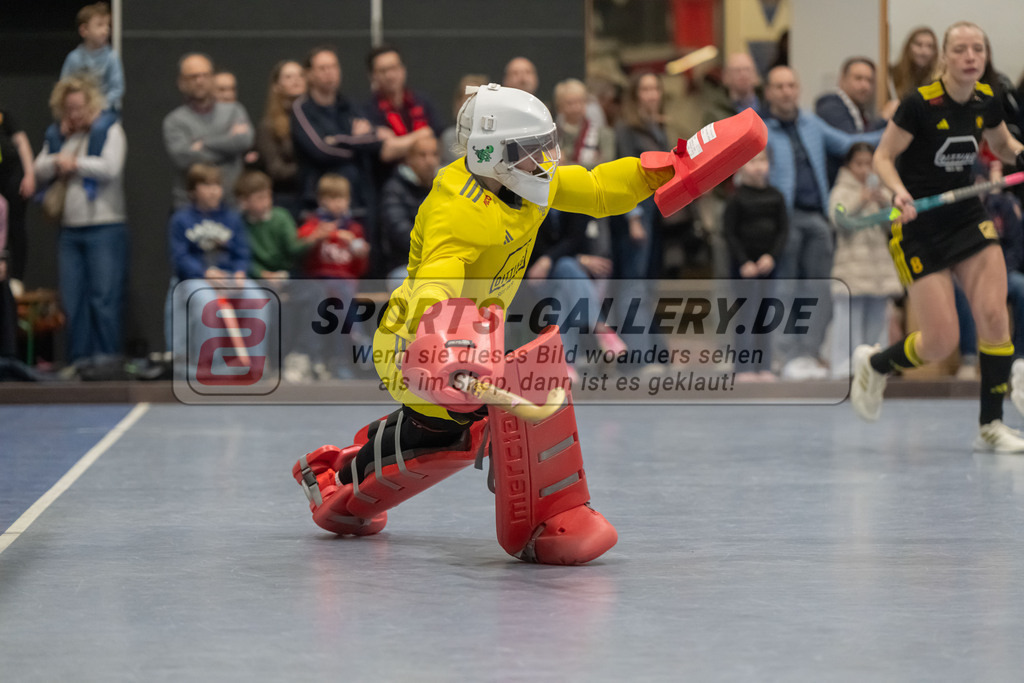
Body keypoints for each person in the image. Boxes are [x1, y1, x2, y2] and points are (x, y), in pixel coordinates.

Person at [289, 82, 757, 565]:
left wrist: (660, 171)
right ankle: (547, 518)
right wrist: (444, 340)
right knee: (489, 414)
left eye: (548, 146)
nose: (548, 160)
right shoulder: (459, 207)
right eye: (535, 150)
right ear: (491, 153)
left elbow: (597, 190)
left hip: (467, 337)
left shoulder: (524, 180)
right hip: (417, 341)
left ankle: (336, 476)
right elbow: (437, 278)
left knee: (450, 431)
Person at [851, 22, 1024, 452]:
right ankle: (874, 364)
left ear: (985, 56)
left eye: (977, 49)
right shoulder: (919, 105)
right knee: (940, 341)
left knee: (994, 316)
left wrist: (1021, 154)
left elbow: (1002, 145)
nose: (970, 56)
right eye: (961, 49)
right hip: (916, 223)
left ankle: (991, 424)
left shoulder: (988, 98)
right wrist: (898, 191)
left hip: (965, 216)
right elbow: (884, 156)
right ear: (946, 57)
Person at [762, 65, 883, 379]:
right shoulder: (761, 130)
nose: (786, 92)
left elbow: (847, 143)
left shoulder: (811, 123)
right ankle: (786, 356)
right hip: (783, 218)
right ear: (768, 92)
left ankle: (810, 353)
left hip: (817, 217)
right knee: (785, 288)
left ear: (798, 89)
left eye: (791, 85)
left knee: (819, 289)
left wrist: (893, 128)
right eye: (779, 86)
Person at [34, 76, 127, 364]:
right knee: (73, 300)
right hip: (71, 230)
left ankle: (106, 360)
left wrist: (75, 164)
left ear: (92, 104)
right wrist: (57, 158)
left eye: (79, 107)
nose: (74, 114)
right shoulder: (60, 136)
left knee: (103, 298)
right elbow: (39, 169)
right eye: (68, 109)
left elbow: (110, 168)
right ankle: (79, 360)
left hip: (105, 225)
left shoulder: (109, 129)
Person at [827, 143, 901, 377]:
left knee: (878, 319)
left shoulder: (882, 191)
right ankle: (844, 368)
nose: (864, 169)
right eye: (858, 164)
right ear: (848, 166)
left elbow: (896, 221)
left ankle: (875, 367)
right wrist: (861, 200)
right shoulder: (842, 190)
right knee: (849, 320)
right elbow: (837, 219)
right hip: (851, 266)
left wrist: (881, 201)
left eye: (869, 163)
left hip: (878, 266)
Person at [165, 163, 249, 352]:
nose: (213, 192)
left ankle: (254, 365)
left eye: (217, 186)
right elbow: (180, 257)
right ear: (193, 191)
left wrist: (239, 272)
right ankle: (211, 365)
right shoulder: (180, 219)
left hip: (228, 276)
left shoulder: (232, 218)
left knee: (258, 298)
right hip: (195, 279)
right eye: (206, 186)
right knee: (207, 303)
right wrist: (205, 273)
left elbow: (242, 252)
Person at [723, 149, 787, 381]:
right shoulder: (737, 199)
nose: (758, 166)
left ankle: (764, 365)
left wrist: (772, 256)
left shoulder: (776, 197)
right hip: (744, 268)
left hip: (768, 265)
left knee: (766, 315)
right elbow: (729, 234)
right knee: (745, 316)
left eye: (762, 161)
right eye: (751, 161)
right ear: (740, 168)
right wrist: (743, 261)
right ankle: (743, 367)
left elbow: (783, 231)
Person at [163, 53, 254, 209]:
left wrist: (203, 144)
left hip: (232, 205)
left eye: (205, 75)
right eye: (193, 77)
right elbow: (183, 158)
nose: (200, 81)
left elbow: (243, 141)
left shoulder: (234, 110)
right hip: (190, 209)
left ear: (213, 79)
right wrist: (228, 146)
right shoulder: (174, 121)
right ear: (181, 83)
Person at [379, 133, 439, 287]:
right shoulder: (394, 189)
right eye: (422, 155)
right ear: (409, 159)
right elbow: (401, 233)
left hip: (442, 262)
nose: (430, 161)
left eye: (434, 154)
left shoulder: (446, 188)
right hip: (405, 266)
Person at [815, 57, 887, 184]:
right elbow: (855, 147)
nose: (865, 85)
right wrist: (887, 127)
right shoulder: (830, 105)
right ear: (842, 79)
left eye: (869, 80)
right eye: (858, 78)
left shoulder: (860, 110)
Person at [234, 170, 309, 280]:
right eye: (260, 198)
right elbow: (242, 257)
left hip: (286, 273)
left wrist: (312, 239)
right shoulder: (239, 224)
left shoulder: (281, 216)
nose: (266, 202)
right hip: (258, 277)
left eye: (268, 196)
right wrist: (263, 274)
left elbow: (293, 249)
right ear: (244, 202)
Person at [255, 60, 306, 219]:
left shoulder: (316, 119)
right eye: (289, 77)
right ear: (277, 86)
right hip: (286, 198)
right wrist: (309, 168)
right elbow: (275, 169)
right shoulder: (268, 126)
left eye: (300, 75)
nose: (296, 80)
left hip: (317, 193)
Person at [60, 2, 124, 113]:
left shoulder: (111, 57)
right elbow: (64, 88)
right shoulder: (73, 58)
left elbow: (117, 89)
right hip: (78, 111)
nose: (105, 30)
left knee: (98, 128)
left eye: (107, 25)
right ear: (84, 30)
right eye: (100, 25)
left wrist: (98, 107)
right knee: (54, 131)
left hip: (105, 110)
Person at [0, 103, 36, 284]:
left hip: (12, 176)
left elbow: (21, 142)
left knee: (16, 226)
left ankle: (16, 280)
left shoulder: (4, 115)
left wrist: (30, 174)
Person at [440, 74, 489, 165]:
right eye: (468, 97)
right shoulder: (449, 137)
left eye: (476, 97)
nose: (473, 102)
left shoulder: (495, 136)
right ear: (458, 102)